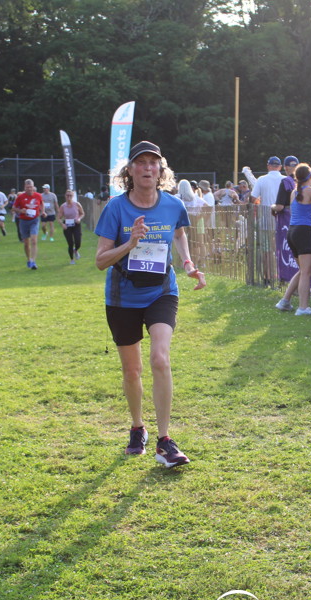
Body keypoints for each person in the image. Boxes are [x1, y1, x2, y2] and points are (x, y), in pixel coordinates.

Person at [94, 141, 206, 468]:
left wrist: (187, 263)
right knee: (132, 371)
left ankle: (165, 440)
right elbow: (100, 261)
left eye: (153, 163)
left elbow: (179, 234)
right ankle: (137, 427)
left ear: (160, 170)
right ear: (129, 170)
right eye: (140, 162)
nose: (147, 168)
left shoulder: (172, 204)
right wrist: (130, 242)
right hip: (123, 297)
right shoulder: (116, 208)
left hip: (161, 291)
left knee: (160, 358)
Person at [275, 163, 311, 316]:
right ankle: (303, 308)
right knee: (306, 272)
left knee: (302, 270)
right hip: (303, 232)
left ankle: (285, 301)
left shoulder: (295, 192)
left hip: (292, 232)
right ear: (310, 176)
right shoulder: (310, 191)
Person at [13, 179, 44, 269]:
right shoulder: (20, 197)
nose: (29, 189)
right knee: (26, 243)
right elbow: (14, 208)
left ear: (33, 187)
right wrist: (20, 210)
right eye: (27, 187)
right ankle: (29, 259)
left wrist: (43, 211)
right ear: (24, 187)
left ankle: (33, 261)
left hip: (34, 220)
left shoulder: (38, 195)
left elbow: (42, 204)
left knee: (34, 240)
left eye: (31, 187)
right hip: (23, 221)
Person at [57, 189, 85, 264]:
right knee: (70, 243)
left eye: (70, 195)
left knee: (78, 242)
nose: (69, 197)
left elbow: (82, 213)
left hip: (76, 224)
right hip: (67, 225)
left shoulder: (77, 204)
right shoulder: (63, 206)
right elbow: (58, 218)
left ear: (72, 196)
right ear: (65, 196)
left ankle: (75, 250)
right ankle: (72, 259)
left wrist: (79, 218)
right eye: (67, 195)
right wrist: (62, 224)